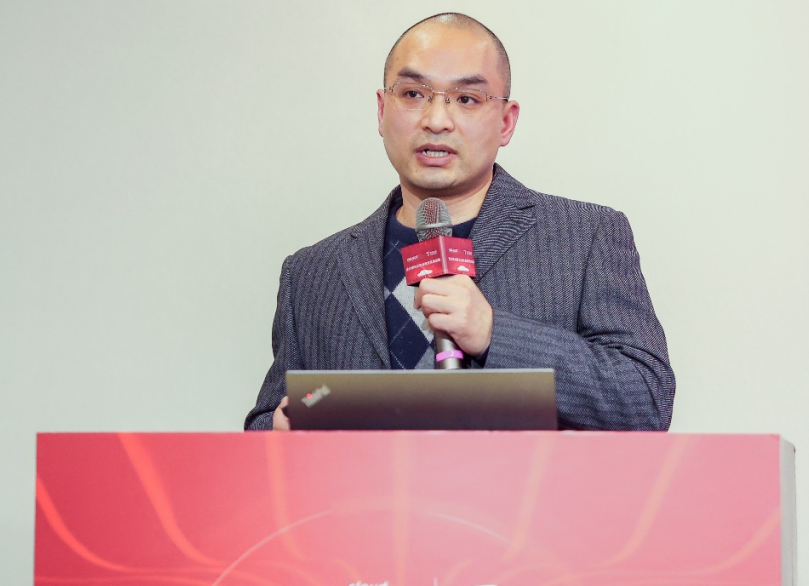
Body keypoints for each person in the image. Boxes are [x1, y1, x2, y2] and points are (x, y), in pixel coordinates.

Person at [245, 12, 674, 431]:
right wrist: (280, 431)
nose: (436, 120)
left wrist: (494, 333)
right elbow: (267, 418)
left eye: (466, 99)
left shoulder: (584, 237)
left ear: (506, 122)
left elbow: (647, 399)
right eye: (413, 94)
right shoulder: (311, 273)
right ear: (381, 110)